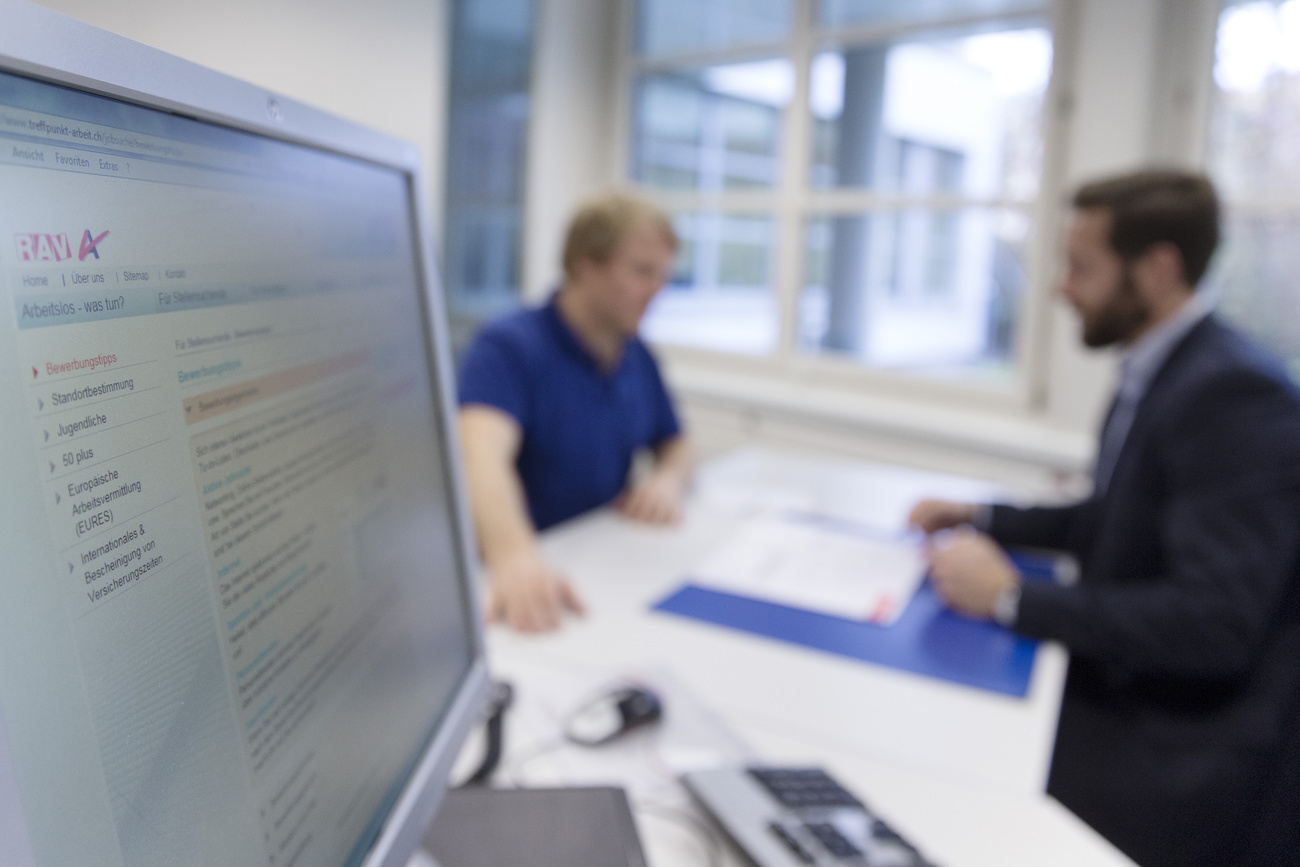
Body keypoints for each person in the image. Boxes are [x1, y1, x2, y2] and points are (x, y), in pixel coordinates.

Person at [908, 170, 1300, 866]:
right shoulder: (1166, 366)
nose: (1062, 287)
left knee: (942, 767)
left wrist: (1010, 597)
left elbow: (1215, 623)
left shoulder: (1234, 394)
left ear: (1156, 270)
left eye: (1082, 267)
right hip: (1144, 694)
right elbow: (1118, 516)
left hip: (1186, 744)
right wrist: (984, 514)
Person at [458, 193, 694, 634]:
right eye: (643, 271)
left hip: (607, 568)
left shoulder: (636, 355)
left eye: (664, 275)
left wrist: (667, 480)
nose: (657, 290)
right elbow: (479, 458)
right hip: (526, 580)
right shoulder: (508, 348)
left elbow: (677, 442)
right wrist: (513, 558)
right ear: (586, 264)